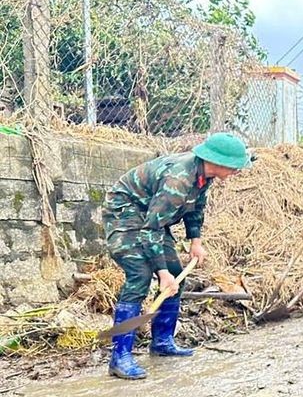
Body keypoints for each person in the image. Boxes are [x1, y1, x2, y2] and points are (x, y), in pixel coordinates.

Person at [103, 133, 250, 380]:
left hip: (152, 218)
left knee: (176, 274)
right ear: (217, 161)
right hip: (125, 212)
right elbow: (151, 230)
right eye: (234, 166)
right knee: (140, 274)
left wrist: (196, 242)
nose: (237, 171)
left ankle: (162, 342)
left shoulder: (204, 175)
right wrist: (162, 274)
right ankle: (120, 357)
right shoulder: (178, 180)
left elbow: (196, 206)